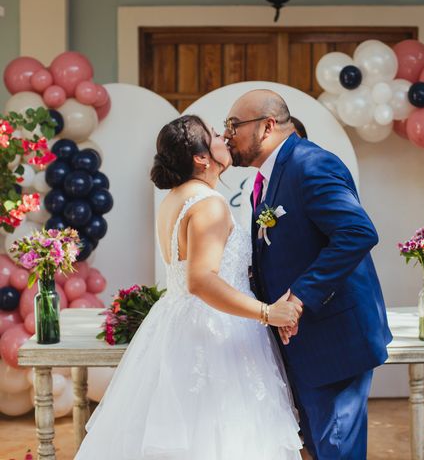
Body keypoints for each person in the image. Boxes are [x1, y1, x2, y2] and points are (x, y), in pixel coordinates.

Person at [74, 115, 303, 459]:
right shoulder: (209, 204)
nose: (224, 137)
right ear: (200, 158)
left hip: (177, 326)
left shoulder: (175, 199)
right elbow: (201, 279)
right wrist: (267, 312)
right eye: (214, 135)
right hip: (214, 335)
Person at [225, 90, 392, 459]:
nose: (226, 135)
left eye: (234, 125)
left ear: (267, 127)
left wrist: (299, 297)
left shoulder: (311, 165)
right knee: (316, 448)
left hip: (334, 338)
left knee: (335, 449)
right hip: (299, 341)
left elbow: (358, 232)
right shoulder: (267, 179)